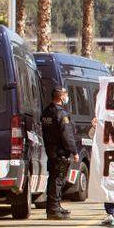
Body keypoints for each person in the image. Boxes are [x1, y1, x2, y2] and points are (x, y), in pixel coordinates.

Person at [41, 87, 80, 220]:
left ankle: (55, 206)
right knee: (57, 180)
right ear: (61, 97)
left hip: (51, 151)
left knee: (53, 179)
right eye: (65, 95)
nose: (66, 97)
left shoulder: (47, 112)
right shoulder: (61, 114)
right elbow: (67, 135)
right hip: (60, 152)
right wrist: (74, 151)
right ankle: (53, 210)